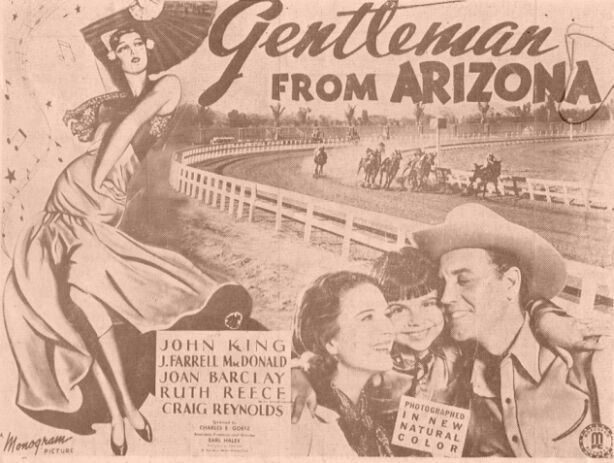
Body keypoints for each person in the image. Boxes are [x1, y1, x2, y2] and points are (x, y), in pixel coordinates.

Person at [3, 26, 252, 456]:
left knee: (86, 291)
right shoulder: (115, 98)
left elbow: (135, 124)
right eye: (123, 47)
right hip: (72, 193)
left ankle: (125, 409)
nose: (133, 52)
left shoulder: (167, 86)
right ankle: (122, 414)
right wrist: (96, 165)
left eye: (139, 44)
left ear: (151, 47)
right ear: (115, 55)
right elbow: (103, 125)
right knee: (75, 305)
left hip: (101, 196)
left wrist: (103, 177)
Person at [414, 203, 612, 457]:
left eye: (464, 280)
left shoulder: (591, 362)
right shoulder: (454, 372)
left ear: (510, 283)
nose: (446, 297)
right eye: (443, 283)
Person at [291, 271, 395, 456]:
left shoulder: (371, 405)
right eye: (367, 318)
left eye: (387, 314)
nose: (388, 329)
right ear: (330, 342)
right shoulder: (303, 416)